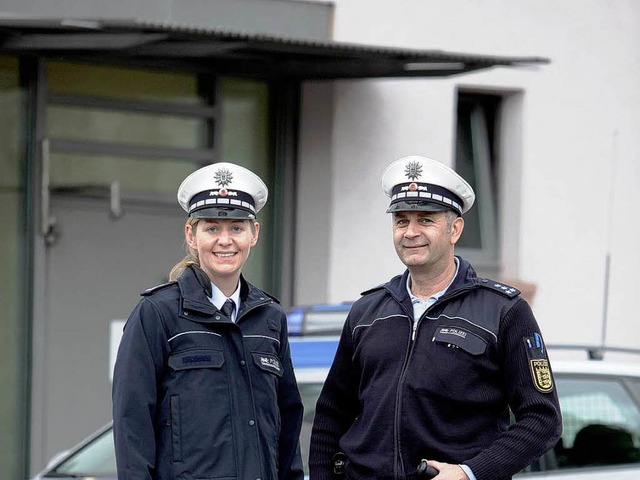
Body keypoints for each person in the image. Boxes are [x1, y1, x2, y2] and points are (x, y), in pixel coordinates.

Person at [309, 155, 562, 480]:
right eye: (401, 221)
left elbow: (542, 419)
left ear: (454, 228)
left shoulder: (503, 311)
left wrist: (470, 473)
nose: (410, 232)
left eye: (425, 220)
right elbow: (331, 414)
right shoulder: (367, 312)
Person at [112, 162, 304, 480]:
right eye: (212, 228)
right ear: (191, 234)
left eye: (237, 228)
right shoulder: (158, 314)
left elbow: (288, 425)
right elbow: (132, 422)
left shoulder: (270, 318)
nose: (225, 241)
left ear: (254, 233)